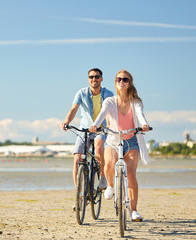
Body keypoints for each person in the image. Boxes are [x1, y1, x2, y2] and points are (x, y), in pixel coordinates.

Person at [89, 69, 150, 221]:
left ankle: (134, 210)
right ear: (115, 83)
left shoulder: (135, 102)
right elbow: (101, 115)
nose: (121, 82)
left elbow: (140, 115)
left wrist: (144, 124)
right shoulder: (109, 101)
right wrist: (94, 125)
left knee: (131, 173)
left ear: (130, 83)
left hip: (131, 140)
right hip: (113, 139)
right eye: (118, 79)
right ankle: (110, 186)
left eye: (125, 80)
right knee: (109, 163)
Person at [61, 68, 114, 192]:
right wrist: (66, 122)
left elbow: (110, 112)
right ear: (88, 79)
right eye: (91, 77)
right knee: (77, 159)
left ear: (101, 78)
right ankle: (78, 193)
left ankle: (102, 176)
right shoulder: (81, 93)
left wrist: (110, 125)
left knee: (100, 147)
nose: (94, 79)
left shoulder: (108, 94)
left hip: (101, 129)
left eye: (96, 77)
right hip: (84, 130)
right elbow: (73, 109)